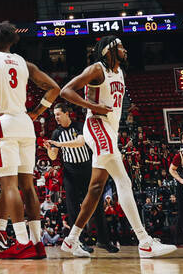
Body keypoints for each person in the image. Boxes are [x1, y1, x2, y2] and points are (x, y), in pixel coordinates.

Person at [59, 36, 176, 259]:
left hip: (109, 130)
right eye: (120, 47)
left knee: (95, 190)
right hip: (96, 125)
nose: (124, 50)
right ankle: (145, 242)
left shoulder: (120, 71)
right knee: (123, 181)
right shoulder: (97, 69)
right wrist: (93, 106)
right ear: (108, 50)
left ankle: (71, 240)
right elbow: (66, 91)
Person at [0, 20, 61, 260]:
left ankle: (22, 242)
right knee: (28, 186)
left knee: (9, 186)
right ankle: (37, 242)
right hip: (25, 123)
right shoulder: (25, 63)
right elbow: (54, 87)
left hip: (3, 124)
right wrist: (36, 111)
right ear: (12, 40)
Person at [45, 103, 115, 253]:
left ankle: (104, 241)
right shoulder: (56, 133)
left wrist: (59, 144)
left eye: (58, 114)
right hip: (70, 173)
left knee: (95, 205)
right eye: (54, 115)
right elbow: (53, 156)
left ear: (66, 113)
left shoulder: (79, 126)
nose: (56, 117)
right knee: (73, 209)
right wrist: (49, 149)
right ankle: (79, 242)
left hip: (86, 170)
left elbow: (80, 142)